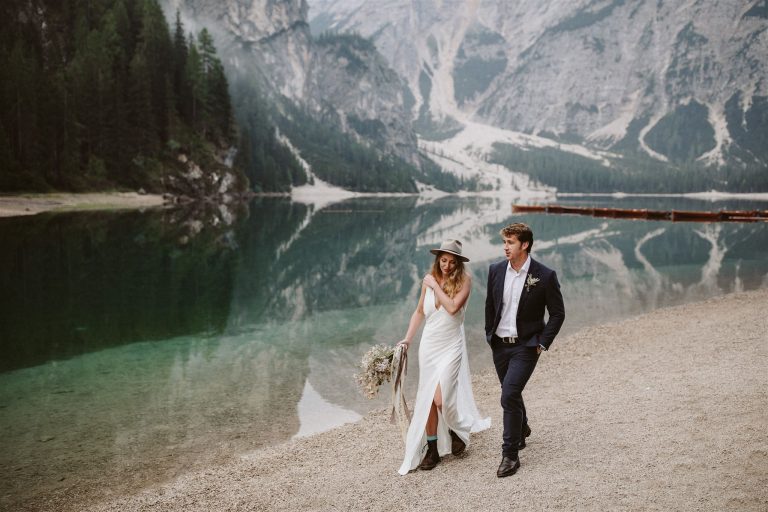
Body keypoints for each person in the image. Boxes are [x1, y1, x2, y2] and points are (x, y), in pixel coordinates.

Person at [397, 239, 490, 474]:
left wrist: (434, 285)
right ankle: (432, 449)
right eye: (443, 260)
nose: (447, 265)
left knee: (441, 399)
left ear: (458, 263)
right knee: (427, 397)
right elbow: (419, 312)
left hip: (451, 346)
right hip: (429, 346)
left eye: (451, 261)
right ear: (438, 259)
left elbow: (452, 308)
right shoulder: (428, 282)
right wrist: (407, 339)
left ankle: (456, 430)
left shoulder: (464, 282)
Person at [485, 223, 565, 477]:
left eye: (510, 242)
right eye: (505, 242)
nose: (505, 247)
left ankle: (510, 455)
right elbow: (491, 305)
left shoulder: (544, 275)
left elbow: (557, 314)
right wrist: (490, 334)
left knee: (508, 394)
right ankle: (522, 427)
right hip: (500, 344)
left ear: (525, 244)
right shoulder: (496, 270)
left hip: (526, 346)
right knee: (512, 391)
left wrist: (542, 342)